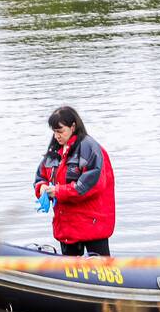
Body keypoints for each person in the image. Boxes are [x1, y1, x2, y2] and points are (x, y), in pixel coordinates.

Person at [33, 106, 116, 256]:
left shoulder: (90, 149)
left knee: (102, 270)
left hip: (92, 225)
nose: (57, 136)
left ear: (73, 127)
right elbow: (41, 176)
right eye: (54, 132)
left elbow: (89, 186)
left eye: (60, 131)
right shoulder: (54, 152)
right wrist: (42, 188)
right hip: (66, 226)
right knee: (68, 268)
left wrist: (57, 191)